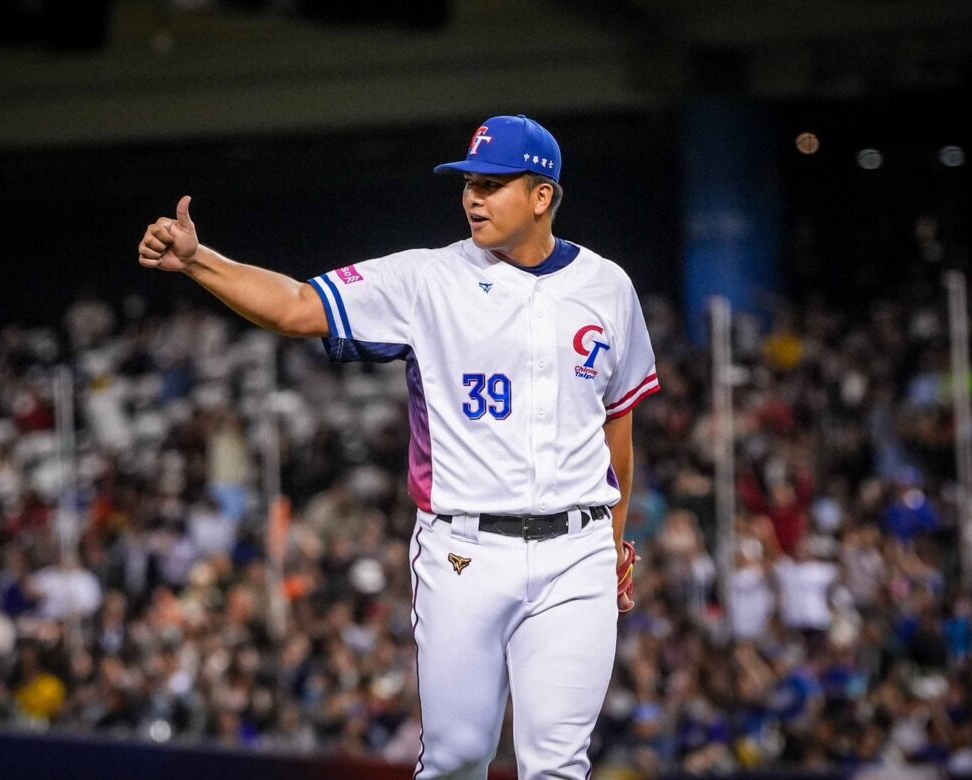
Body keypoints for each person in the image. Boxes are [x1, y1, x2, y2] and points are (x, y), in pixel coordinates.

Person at [137, 114, 659, 779]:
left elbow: (618, 427)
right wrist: (198, 260)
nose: (473, 197)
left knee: (557, 765)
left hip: (576, 551)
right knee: (457, 757)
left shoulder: (607, 286)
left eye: (492, 184)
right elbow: (297, 306)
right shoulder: (426, 280)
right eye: (469, 183)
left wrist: (613, 545)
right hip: (465, 549)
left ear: (541, 195)